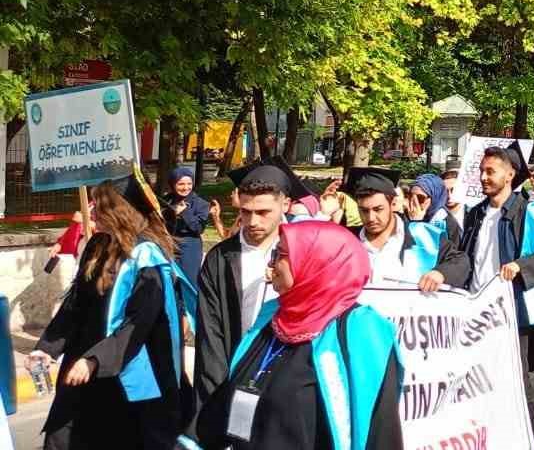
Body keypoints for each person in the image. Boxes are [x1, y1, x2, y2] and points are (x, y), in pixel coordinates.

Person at [195, 221, 403, 449]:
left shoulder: (360, 331)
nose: (271, 263)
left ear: (317, 263)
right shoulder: (274, 316)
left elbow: (380, 429)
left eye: (281, 254)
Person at [33, 177, 196, 449]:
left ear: (118, 212)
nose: (92, 211)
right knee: (65, 435)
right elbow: (76, 306)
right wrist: (47, 348)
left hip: (127, 368)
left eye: (100, 206)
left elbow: (138, 324)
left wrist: (96, 360)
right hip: (83, 363)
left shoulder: (147, 259)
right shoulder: (97, 246)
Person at [455, 144, 534, 448]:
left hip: (512, 309)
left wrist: (520, 265)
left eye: (490, 171)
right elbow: (468, 258)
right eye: (481, 171)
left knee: (516, 376)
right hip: (477, 307)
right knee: (479, 376)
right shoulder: (476, 214)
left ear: (509, 174)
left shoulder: (527, 212)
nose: (483, 177)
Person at [195, 163, 298, 412]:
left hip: (290, 384)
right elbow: (211, 335)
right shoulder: (221, 258)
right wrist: (217, 397)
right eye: (246, 211)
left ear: (285, 204)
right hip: (236, 376)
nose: (252, 221)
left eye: (263, 212)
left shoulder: (303, 250)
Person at [347, 167, 464, 288]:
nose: (371, 218)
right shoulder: (346, 240)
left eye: (378, 209)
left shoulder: (424, 235)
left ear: (393, 204)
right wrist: (325, 215)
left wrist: (440, 273)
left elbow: (460, 261)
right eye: (364, 211)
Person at [163, 167, 211, 288]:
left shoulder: (201, 203)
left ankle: (189, 307)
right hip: (168, 244)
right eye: (181, 184)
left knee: (188, 283)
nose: (185, 188)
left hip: (189, 247)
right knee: (168, 282)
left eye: (189, 184)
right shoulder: (165, 201)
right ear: (173, 184)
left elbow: (199, 228)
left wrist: (185, 212)